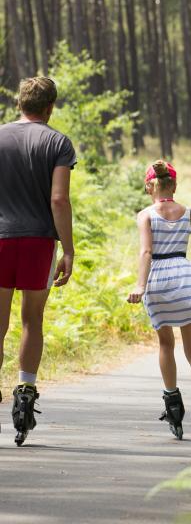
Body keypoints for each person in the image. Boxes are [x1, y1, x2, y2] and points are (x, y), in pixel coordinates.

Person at [0, 77, 76, 446]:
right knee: (31, 318)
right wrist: (69, 249)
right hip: (38, 242)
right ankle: (25, 393)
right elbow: (59, 200)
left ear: (19, 104)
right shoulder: (57, 142)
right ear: (50, 107)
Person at [127, 160, 191, 445]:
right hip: (183, 277)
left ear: (149, 187)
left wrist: (140, 285)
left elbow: (146, 252)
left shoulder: (145, 215)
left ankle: (173, 408)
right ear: (175, 185)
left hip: (157, 281)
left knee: (165, 344)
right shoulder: (189, 213)